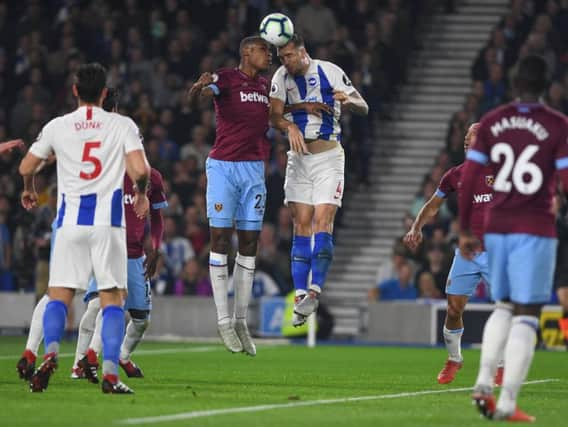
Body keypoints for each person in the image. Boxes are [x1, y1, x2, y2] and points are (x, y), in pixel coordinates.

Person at [19, 63, 150, 394]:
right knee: (112, 300)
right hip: (108, 225)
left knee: (59, 295)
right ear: (105, 92)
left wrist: (29, 187)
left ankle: (49, 353)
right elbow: (140, 170)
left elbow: (26, 165)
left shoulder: (57, 126)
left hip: (68, 224)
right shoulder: (121, 125)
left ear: (74, 90)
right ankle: (108, 374)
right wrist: (141, 192)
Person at [459, 55, 568, 422]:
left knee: (503, 306)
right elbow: (566, 181)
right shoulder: (557, 124)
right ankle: (507, 402)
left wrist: (462, 229)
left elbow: (470, 176)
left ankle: (482, 382)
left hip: (497, 227)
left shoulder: (491, 122)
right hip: (535, 227)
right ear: (547, 86)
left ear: (514, 82)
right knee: (527, 315)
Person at [269, 34, 368, 326]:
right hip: (298, 159)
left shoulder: (330, 71)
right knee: (301, 224)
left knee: (323, 221)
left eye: (288, 56)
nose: (284, 62)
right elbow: (272, 115)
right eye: (281, 58)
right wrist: (289, 126)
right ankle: (300, 295)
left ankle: (315, 289)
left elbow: (364, 106)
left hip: (328, 158)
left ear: (302, 52)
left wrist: (349, 101)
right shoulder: (281, 77)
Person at [71, 88, 167, 382]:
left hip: (135, 254)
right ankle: (83, 361)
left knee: (141, 319)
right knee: (99, 304)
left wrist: (155, 247)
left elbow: (158, 216)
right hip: (106, 245)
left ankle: (122, 356)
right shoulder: (102, 169)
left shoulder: (151, 177)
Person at [187, 36, 271, 356]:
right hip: (223, 169)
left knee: (249, 244)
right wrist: (198, 89)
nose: (270, 56)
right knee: (220, 240)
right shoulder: (226, 77)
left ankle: (240, 321)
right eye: (265, 50)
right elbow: (203, 96)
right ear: (248, 52)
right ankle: (223, 320)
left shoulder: (265, 87)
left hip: (253, 171)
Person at [404, 123, 504, 385]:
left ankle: (502, 365)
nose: (468, 147)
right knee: (453, 307)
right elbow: (433, 206)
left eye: (473, 143)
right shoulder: (455, 176)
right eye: (466, 144)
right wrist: (416, 227)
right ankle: (454, 359)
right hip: (467, 252)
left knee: (505, 308)